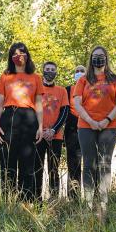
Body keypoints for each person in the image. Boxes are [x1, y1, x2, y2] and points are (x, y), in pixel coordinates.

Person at [74, 46, 116, 211]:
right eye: (95, 56)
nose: (98, 58)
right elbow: (77, 104)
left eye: (101, 56)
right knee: (89, 163)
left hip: (109, 127)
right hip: (85, 126)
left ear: (106, 58)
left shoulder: (114, 79)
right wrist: (90, 120)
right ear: (91, 59)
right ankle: (89, 203)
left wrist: (107, 119)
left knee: (104, 163)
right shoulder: (83, 80)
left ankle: (103, 203)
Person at [0, 42, 44, 200]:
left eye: (22, 52)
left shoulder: (36, 77)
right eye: (14, 54)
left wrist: (41, 126)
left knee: (27, 162)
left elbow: (38, 104)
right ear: (11, 57)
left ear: (27, 55)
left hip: (29, 119)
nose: (19, 56)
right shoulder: (5, 76)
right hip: (9, 117)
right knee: (8, 161)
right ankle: (9, 201)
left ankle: (26, 201)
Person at [36, 61, 69, 199]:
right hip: (38, 135)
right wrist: (40, 130)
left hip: (56, 136)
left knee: (53, 168)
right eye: (47, 69)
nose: (50, 71)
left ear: (56, 72)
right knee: (36, 168)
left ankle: (54, 199)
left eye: (52, 69)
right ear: (43, 71)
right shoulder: (36, 89)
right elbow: (31, 110)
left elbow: (65, 112)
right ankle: (35, 198)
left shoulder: (61, 91)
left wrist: (53, 130)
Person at [65, 65, 86, 198]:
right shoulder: (67, 90)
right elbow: (64, 111)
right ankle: (73, 196)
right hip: (72, 131)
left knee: (90, 163)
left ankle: (92, 196)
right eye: (76, 71)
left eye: (82, 71)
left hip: (89, 129)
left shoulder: (91, 89)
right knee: (73, 163)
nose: (79, 73)